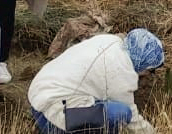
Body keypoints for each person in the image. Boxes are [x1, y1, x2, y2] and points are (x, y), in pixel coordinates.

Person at [28, 29, 163, 134]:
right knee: (121, 113)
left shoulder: (110, 40)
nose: (148, 74)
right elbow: (133, 122)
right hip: (53, 116)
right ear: (143, 62)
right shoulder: (122, 71)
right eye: (150, 70)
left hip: (37, 96)